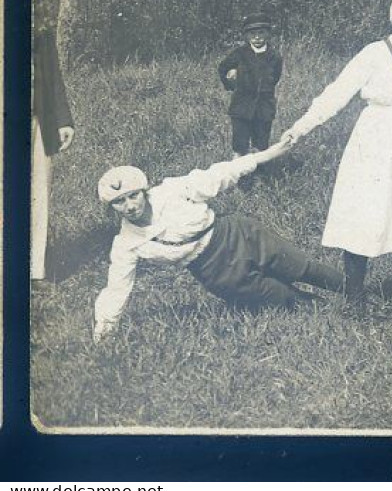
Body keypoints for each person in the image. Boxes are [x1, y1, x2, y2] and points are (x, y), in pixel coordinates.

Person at [280, 0, 392, 307]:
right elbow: (337, 93)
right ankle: (355, 294)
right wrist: (300, 128)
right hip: (376, 135)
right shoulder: (374, 54)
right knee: (366, 208)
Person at [92, 140, 342, 342]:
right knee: (282, 298)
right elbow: (116, 289)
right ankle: (337, 317)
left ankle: (361, 291)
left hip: (237, 235)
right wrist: (103, 332)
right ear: (112, 207)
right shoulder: (126, 244)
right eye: (119, 202)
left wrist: (268, 154)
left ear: (143, 191)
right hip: (214, 271)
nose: (129, 206)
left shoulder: (172, 191)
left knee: (301, 267)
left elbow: (220, 174)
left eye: (133, 196)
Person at [32, 23, 77, 281]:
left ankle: (35, 272)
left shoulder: (38, 23)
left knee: (38, 193)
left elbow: (52, 75)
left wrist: (63, 119)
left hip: (37, 121)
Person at [217, 11, 284, 160]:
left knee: (261, 144)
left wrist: (264, 88)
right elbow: (222, 68)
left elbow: (275, 78)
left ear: (268, 34)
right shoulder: (240, 54)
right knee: (240, 144)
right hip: (242, 106)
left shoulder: (274, 57)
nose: (257, 37)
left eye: (261, 33)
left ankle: (259, 174)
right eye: (253, 34)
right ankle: (240, 177)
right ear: (247, 36)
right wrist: (231, 77)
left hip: (264, 107)